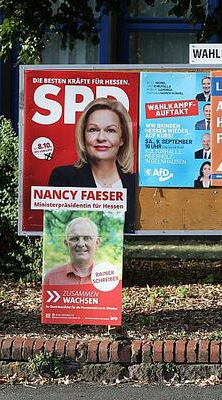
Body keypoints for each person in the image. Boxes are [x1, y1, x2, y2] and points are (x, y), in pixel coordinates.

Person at [48, 98, 136, 232]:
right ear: (83, 136)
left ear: (122, 138)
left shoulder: (136, 184)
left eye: (110, 130)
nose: (101, 138)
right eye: (93, 130)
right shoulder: (64, 178)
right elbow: (58, 233)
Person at [44, 217, 100, 285]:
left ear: (97, 243)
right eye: (75, 239)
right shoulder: (51, 278)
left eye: (86, 238)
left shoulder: (109, 279)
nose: (81, 244)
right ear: (66, 244)